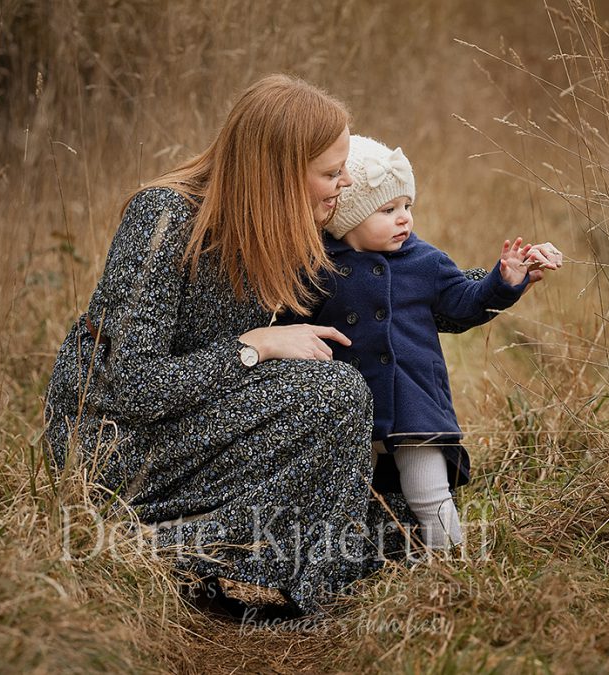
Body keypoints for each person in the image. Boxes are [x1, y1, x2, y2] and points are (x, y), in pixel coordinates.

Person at [44, 75, 386, 618]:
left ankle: (313, 586)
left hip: (189, 416)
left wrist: (490, 285)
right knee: (332, 392)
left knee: (338, 392)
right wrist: (254, 346)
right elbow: (131, 386)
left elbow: (395, 267)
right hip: (110, 442)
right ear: (277, 174)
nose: (346, 182)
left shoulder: (278, 224)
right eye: (330, 172)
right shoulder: (164, 219)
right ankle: (161, 550)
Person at [276, 135, 563, 550]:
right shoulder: (317, 268)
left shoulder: (425, 261)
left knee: (428, 494)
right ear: (348, 218)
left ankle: (450, 567)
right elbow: (293, 326)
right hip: (346, 410)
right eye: (387, 209)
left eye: (407, 206)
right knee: (344, 495)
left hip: (413, 404)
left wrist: (504, 282)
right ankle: (341, 566)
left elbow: (466, 304)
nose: (404, 219)